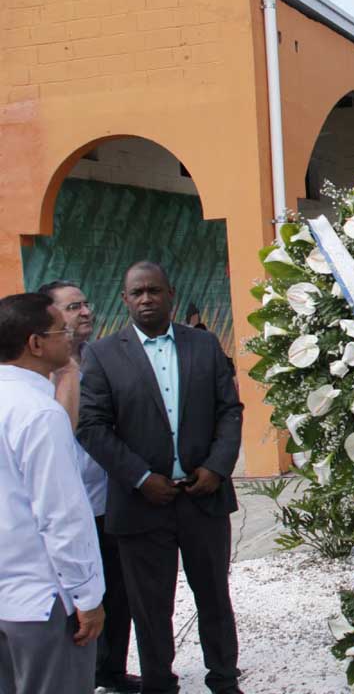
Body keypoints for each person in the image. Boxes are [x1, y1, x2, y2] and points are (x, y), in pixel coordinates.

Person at [78, 262, 244, 694]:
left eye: (154, 290)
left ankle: (224, 680)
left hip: (203, 498)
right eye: (137, 292)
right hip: (141, 505)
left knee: (214, 599)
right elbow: (92, 426)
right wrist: (139, 478)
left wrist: (216, 467)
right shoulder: (103, 355)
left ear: (171, 293)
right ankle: (158, 683)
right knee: (151, 608)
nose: (146, 298)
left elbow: (230, 410)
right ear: (124, 300)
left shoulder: (205, 346)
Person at [37, 280, 140, 694]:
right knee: (71, 598)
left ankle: (110, 671)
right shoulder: (40, 371)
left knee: (117, 591)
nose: (84, 312)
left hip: (109, 497)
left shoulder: (104, 356)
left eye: (86, 303)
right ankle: (76, 673)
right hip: (63, 503)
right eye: (73, 306)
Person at [0, 293, 106, 694]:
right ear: (35, 344)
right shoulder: (40, 414)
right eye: (61, 330)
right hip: (42, 602)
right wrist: (88, 596)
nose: (69, 337)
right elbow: (61, 515)